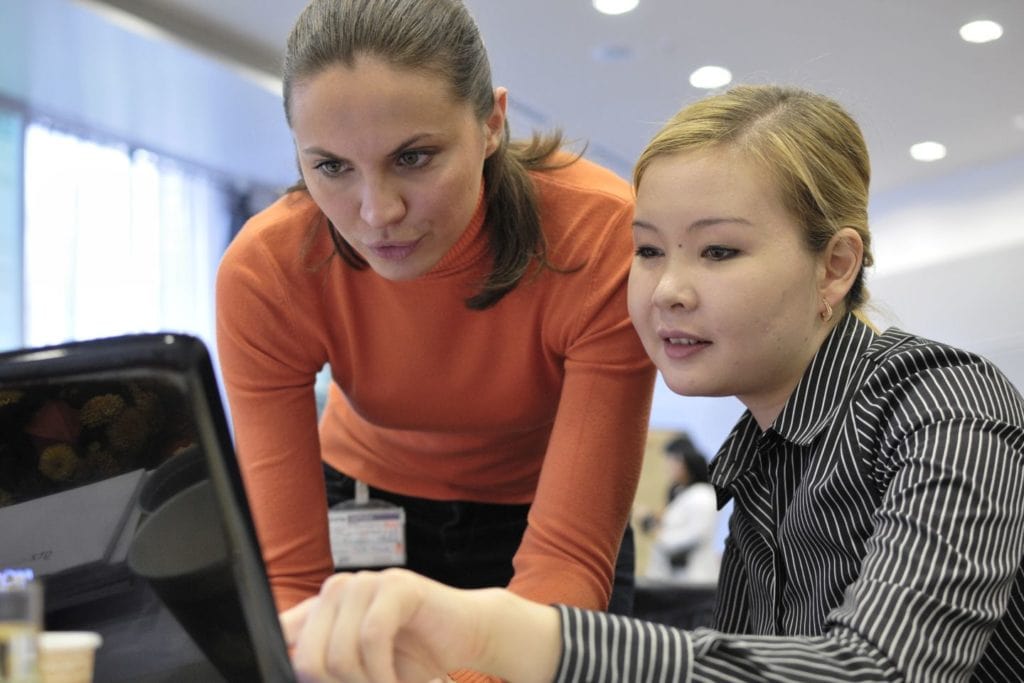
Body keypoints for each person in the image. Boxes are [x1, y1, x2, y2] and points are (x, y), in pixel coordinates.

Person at [280, 84, 1024, 682]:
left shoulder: (947, 408)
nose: (667, 288)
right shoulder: (761, 454)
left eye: (718, 250)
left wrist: (511, 632)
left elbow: (880, 668)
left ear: (834, 265)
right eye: (646, 250)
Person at [214, 0, 656, 674]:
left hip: (543, 522)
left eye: (414, 157)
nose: (375, 211)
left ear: (491, 123)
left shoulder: (598, 236)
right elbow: (292, 586)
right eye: (331, 166)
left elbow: (565, 561)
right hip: (365, 504)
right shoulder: (268, 268)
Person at [637, 432, 720, 584]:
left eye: (673, 462)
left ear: (686, 463)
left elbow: (692, 537)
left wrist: (655, 531)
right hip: (672, 579)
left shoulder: (702, 495)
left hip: (691, 582)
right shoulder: (682, 494)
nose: (668, 467)